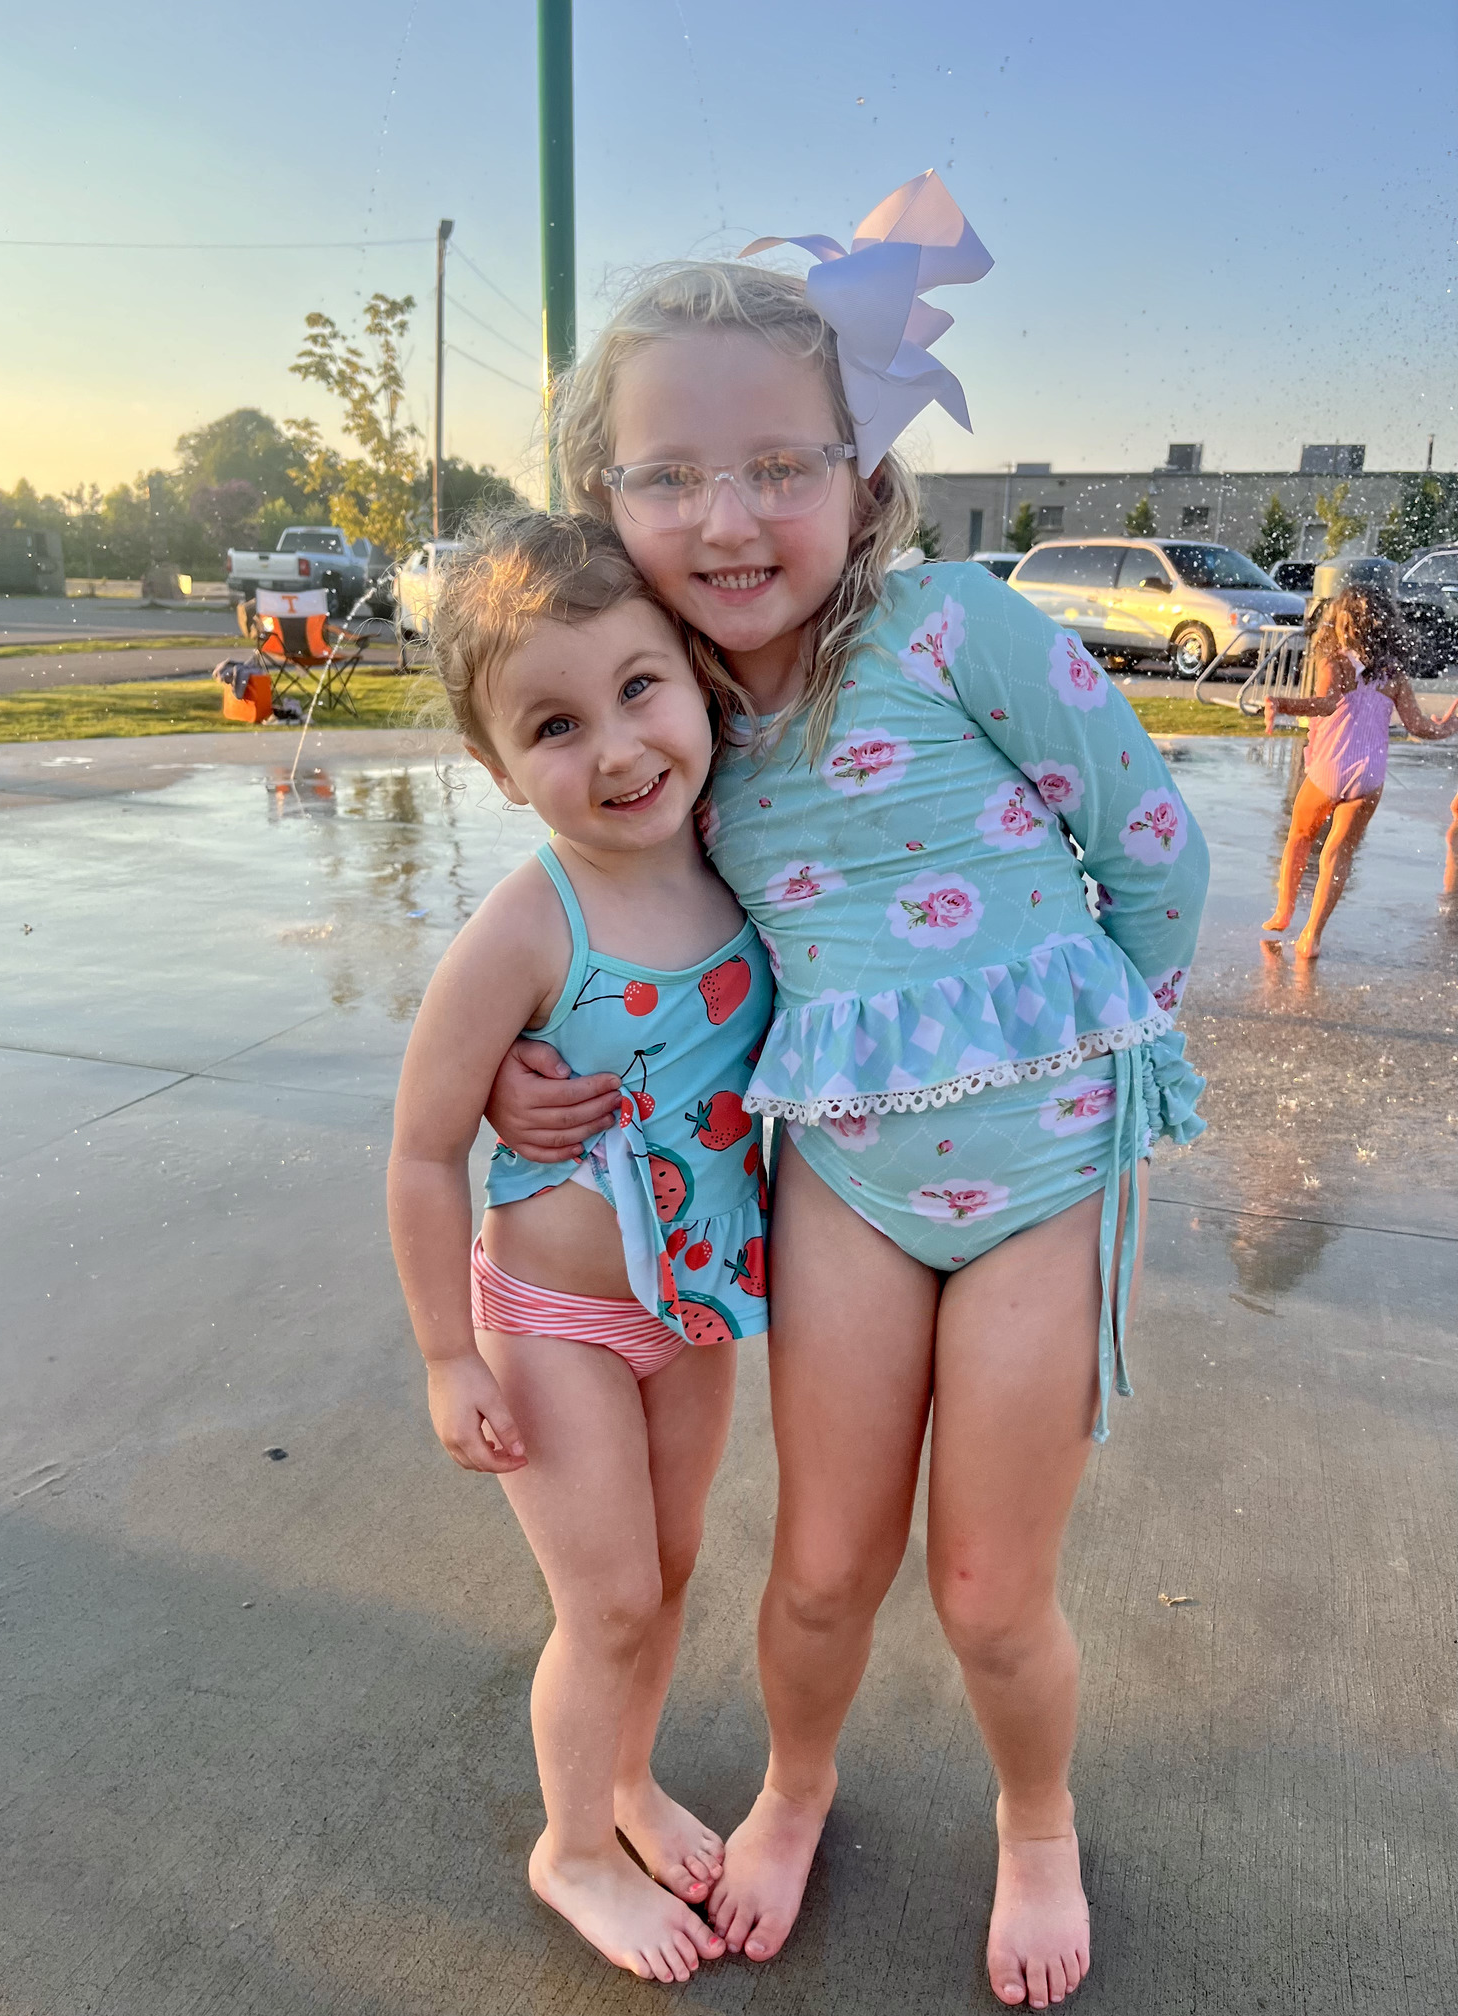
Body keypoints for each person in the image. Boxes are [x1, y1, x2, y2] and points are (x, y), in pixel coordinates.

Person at [483, 173, 1210, 2011]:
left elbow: (1151, 848)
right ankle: (794, 1784)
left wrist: (1096, 1034)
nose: (728, 518)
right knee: (816, 1576)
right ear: (604, 506)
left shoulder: (961, 629)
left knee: (984, 1588)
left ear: (864, 476)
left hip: (1045, 1163)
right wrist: (513, 1045)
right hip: (850, 1185)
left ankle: (1031, 1819)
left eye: (780, 465)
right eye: (668, 477)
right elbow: (617, 914)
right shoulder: (672, 718)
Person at [386, 513, 773, 1984]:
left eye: (638, 689)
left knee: (666, 1578)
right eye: (554, 724)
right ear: (495, 769)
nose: (614, 750)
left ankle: (625, 1784)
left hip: (694, 1313)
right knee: (603, 1597)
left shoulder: (745, 860)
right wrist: (443, 1356)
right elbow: (423, 1150)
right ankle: (568, 1849)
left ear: (698, 679)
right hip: (553, 1315)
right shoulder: (528, 925)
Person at [1263, 582, 1458, 958]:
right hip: (1369, 775)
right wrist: (1449, 725)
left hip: (1328, 768)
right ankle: (1312, 936)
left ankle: (1283, 913)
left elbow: (1325, 704)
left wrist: (1280, 703)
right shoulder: (1394, 676)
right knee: (1338, 853)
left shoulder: (1334, 662)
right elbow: (1420, 728)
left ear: (1343, 623)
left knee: (1301, 837)